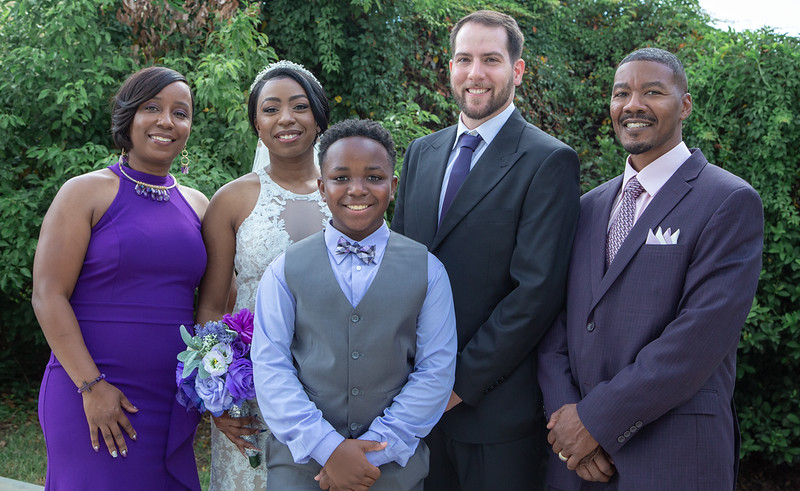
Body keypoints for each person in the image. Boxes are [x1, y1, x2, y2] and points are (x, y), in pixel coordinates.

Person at [537, 47, 764, 490]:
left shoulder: (728, 201)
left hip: (674, 456)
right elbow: (554, 325)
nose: (633, 104)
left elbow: (697, 339)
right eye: (622, 93)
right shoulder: (586, 207)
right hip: (576, 463)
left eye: (652, 92)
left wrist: (596, 423)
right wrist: (568, 424)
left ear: (685, 105)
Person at [391, 10, 581, 489]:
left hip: (492, 416)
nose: (475, 74)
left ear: (516, 71)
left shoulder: (548, 160)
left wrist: (453, 386)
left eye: (490, 60)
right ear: (450, 67)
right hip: (409, 412)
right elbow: (395, 265)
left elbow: (534, 293)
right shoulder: (421, 153)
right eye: (463, 59)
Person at [251, 119, 458, 490]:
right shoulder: (284, 270)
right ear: (321, 186)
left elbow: (435, 371)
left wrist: (370, 454)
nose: (357, 189)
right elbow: (271, 367)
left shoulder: (429, 270)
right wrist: (328, 449)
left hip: (391, 469)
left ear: (393, 186)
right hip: (302, 467)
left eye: (374, 177)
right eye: (341, 177)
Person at [33, 66, 209, 490]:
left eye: (180, 112)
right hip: (88, 388)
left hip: (170, 397)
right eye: (153, 107)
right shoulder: (85, 192)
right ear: (128, 117)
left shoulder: (200, 205)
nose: (167, 121)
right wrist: (92, 387)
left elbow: (213, 302)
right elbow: (48, 295)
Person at [196, 60, 332, 490]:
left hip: (332, 387)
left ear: (319, 115)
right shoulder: (232, 200)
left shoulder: (349, 191)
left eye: (299, 106)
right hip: (250, 392)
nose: (286, 118)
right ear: (257, 123)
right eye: (271, 109)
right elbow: (213, 306)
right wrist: (217, 397)